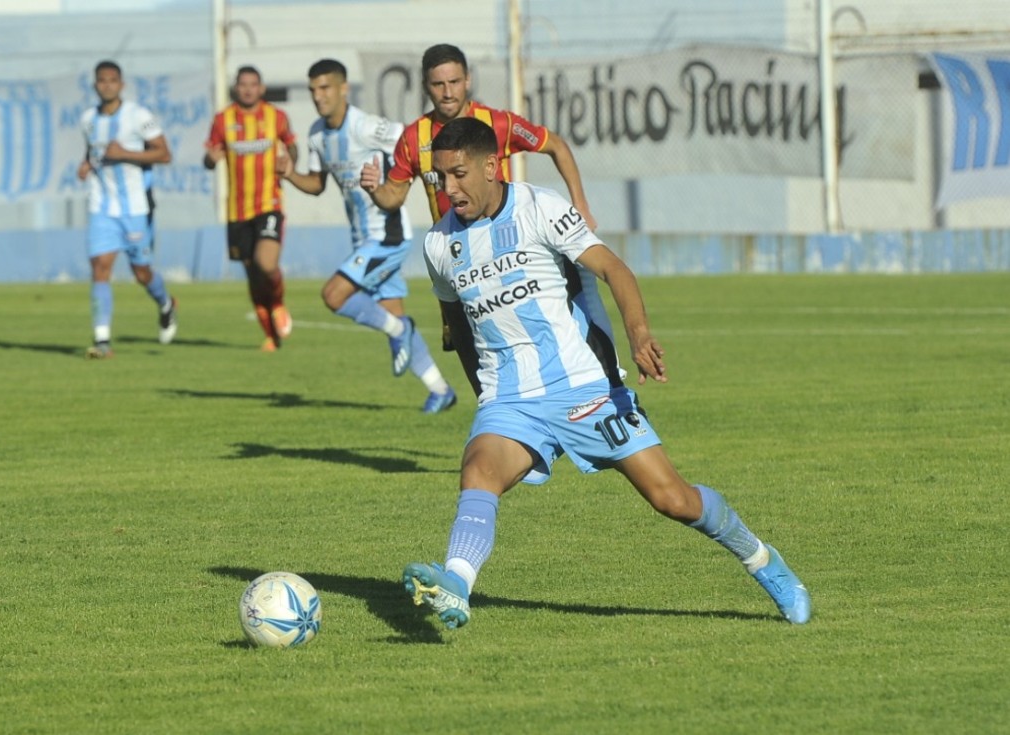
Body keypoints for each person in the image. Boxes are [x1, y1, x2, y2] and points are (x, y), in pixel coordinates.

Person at [401, 117, 812, 629]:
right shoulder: (439, 243)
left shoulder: (540, 207)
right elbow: (458, 325)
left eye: (458, 174)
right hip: (511, 398)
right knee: (478, 471)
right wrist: (486, 396)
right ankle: (457, 585)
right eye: (440, 177)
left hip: (583, 385)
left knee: (673, 499)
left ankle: (762, 560)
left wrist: (638, 336)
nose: (448, 188)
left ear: (491, 166)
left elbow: (615, 269)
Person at [361, 43, 595, 352]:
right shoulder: (414, 137)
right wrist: (375, 189)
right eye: (438, 84)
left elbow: (556, 145)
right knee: (472, 348)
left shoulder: (497, 123)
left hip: (508, 251)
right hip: (457, 259)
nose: (448, 92)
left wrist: (580, 205)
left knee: (531, 334)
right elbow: (393, 196)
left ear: (468, 80)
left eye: (454, 82)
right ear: (425, 86)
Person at [279, 59, 457, 413]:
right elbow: (316, 184)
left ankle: (398, 330)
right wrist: (289, 173)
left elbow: (411, 141)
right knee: (392, 313)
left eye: (325, 88)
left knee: (334, 295)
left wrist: (407, 179)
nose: (318, 96)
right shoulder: (317, 134)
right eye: (313, 90)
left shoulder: (366, 127)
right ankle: (440, 390)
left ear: (343, 88)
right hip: (363, 239)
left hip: (387, 235)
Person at [78, 59, 177, 359]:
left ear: (121, 84)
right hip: (101, 205)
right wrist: (86, 164)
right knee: (100, 267)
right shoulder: (87, 119)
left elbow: (164, 154)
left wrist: (124, 154)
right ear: (95, 85)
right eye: (102, 80)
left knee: (141, 273)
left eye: (112, 80)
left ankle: (166, 304)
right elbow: (93, 151)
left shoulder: (139, 116)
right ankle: (102, 340)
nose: (107, 85)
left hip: (134, 207)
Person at [204, 66, 297, 351]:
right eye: (242, 85)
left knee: (266, 264)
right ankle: (270, 336)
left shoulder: (276, 117)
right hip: (237, 210)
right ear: (236, 88)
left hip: (269, 204)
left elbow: (292, 145)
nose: (247, 90)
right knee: (253, 275)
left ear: (261, 88)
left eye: (253, 84)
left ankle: (278, 303)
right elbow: (209, 157)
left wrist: (289, 161)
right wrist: (210, 159)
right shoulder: (223, 120)